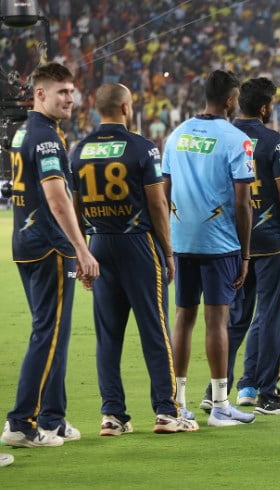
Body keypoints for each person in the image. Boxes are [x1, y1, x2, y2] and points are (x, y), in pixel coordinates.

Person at [69, 83, 197, 434]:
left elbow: (75, 206)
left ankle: (112, 415)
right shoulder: (142, 147)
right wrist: (168, 251)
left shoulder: (79, 150)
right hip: (138, 243)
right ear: (126, 107)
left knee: (108, 335)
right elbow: (157, 202)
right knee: (155, 329)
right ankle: (166, 411)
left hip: (98, 243)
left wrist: (82, 251)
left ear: (98, 109)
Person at [2, 62, 99, 448]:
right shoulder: (46, 137)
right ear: (40, 94)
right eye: (62, 92)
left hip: (27, 243)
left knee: (52, 331)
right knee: (48, 332)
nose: (70, 98)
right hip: (50, 247)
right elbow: (58, 199)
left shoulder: (25, 130)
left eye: (72, 91)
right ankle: (20, 423)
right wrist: (82, 248)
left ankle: (52, 419)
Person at [162, 70, 257, 426]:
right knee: (217, 320)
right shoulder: (237, 140)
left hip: (182, 239)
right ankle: (219, 404)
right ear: (231, 100)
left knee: (183, 318)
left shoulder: (177, 134)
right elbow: (243, 202)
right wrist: (245, 254)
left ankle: (177, 402)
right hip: (219, 242)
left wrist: (168, 240)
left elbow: (164, 191)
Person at [207, 77, 280, 415]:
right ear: (265, 108)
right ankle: (267, 392)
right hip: (269, 240)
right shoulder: (274, 142)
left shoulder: (222, 137)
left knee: (235, 318)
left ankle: (216, 390)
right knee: (271, 315)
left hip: (231, 241)